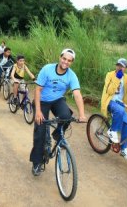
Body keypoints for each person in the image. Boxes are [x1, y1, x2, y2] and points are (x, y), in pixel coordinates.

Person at [30, 48, 86, 176]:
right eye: (64, 58)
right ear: (60, 57)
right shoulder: (47, 69)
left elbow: (77, 94)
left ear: (72, 62)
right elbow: (37, 90)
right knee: (40, 131)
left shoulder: (71, 75)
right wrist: (38, 111)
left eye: (69, 60)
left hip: (57, 100)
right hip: (42, 101)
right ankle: (37, 162)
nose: (66, 62)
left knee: (66, 116)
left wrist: (82, 114)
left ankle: (56, 135)